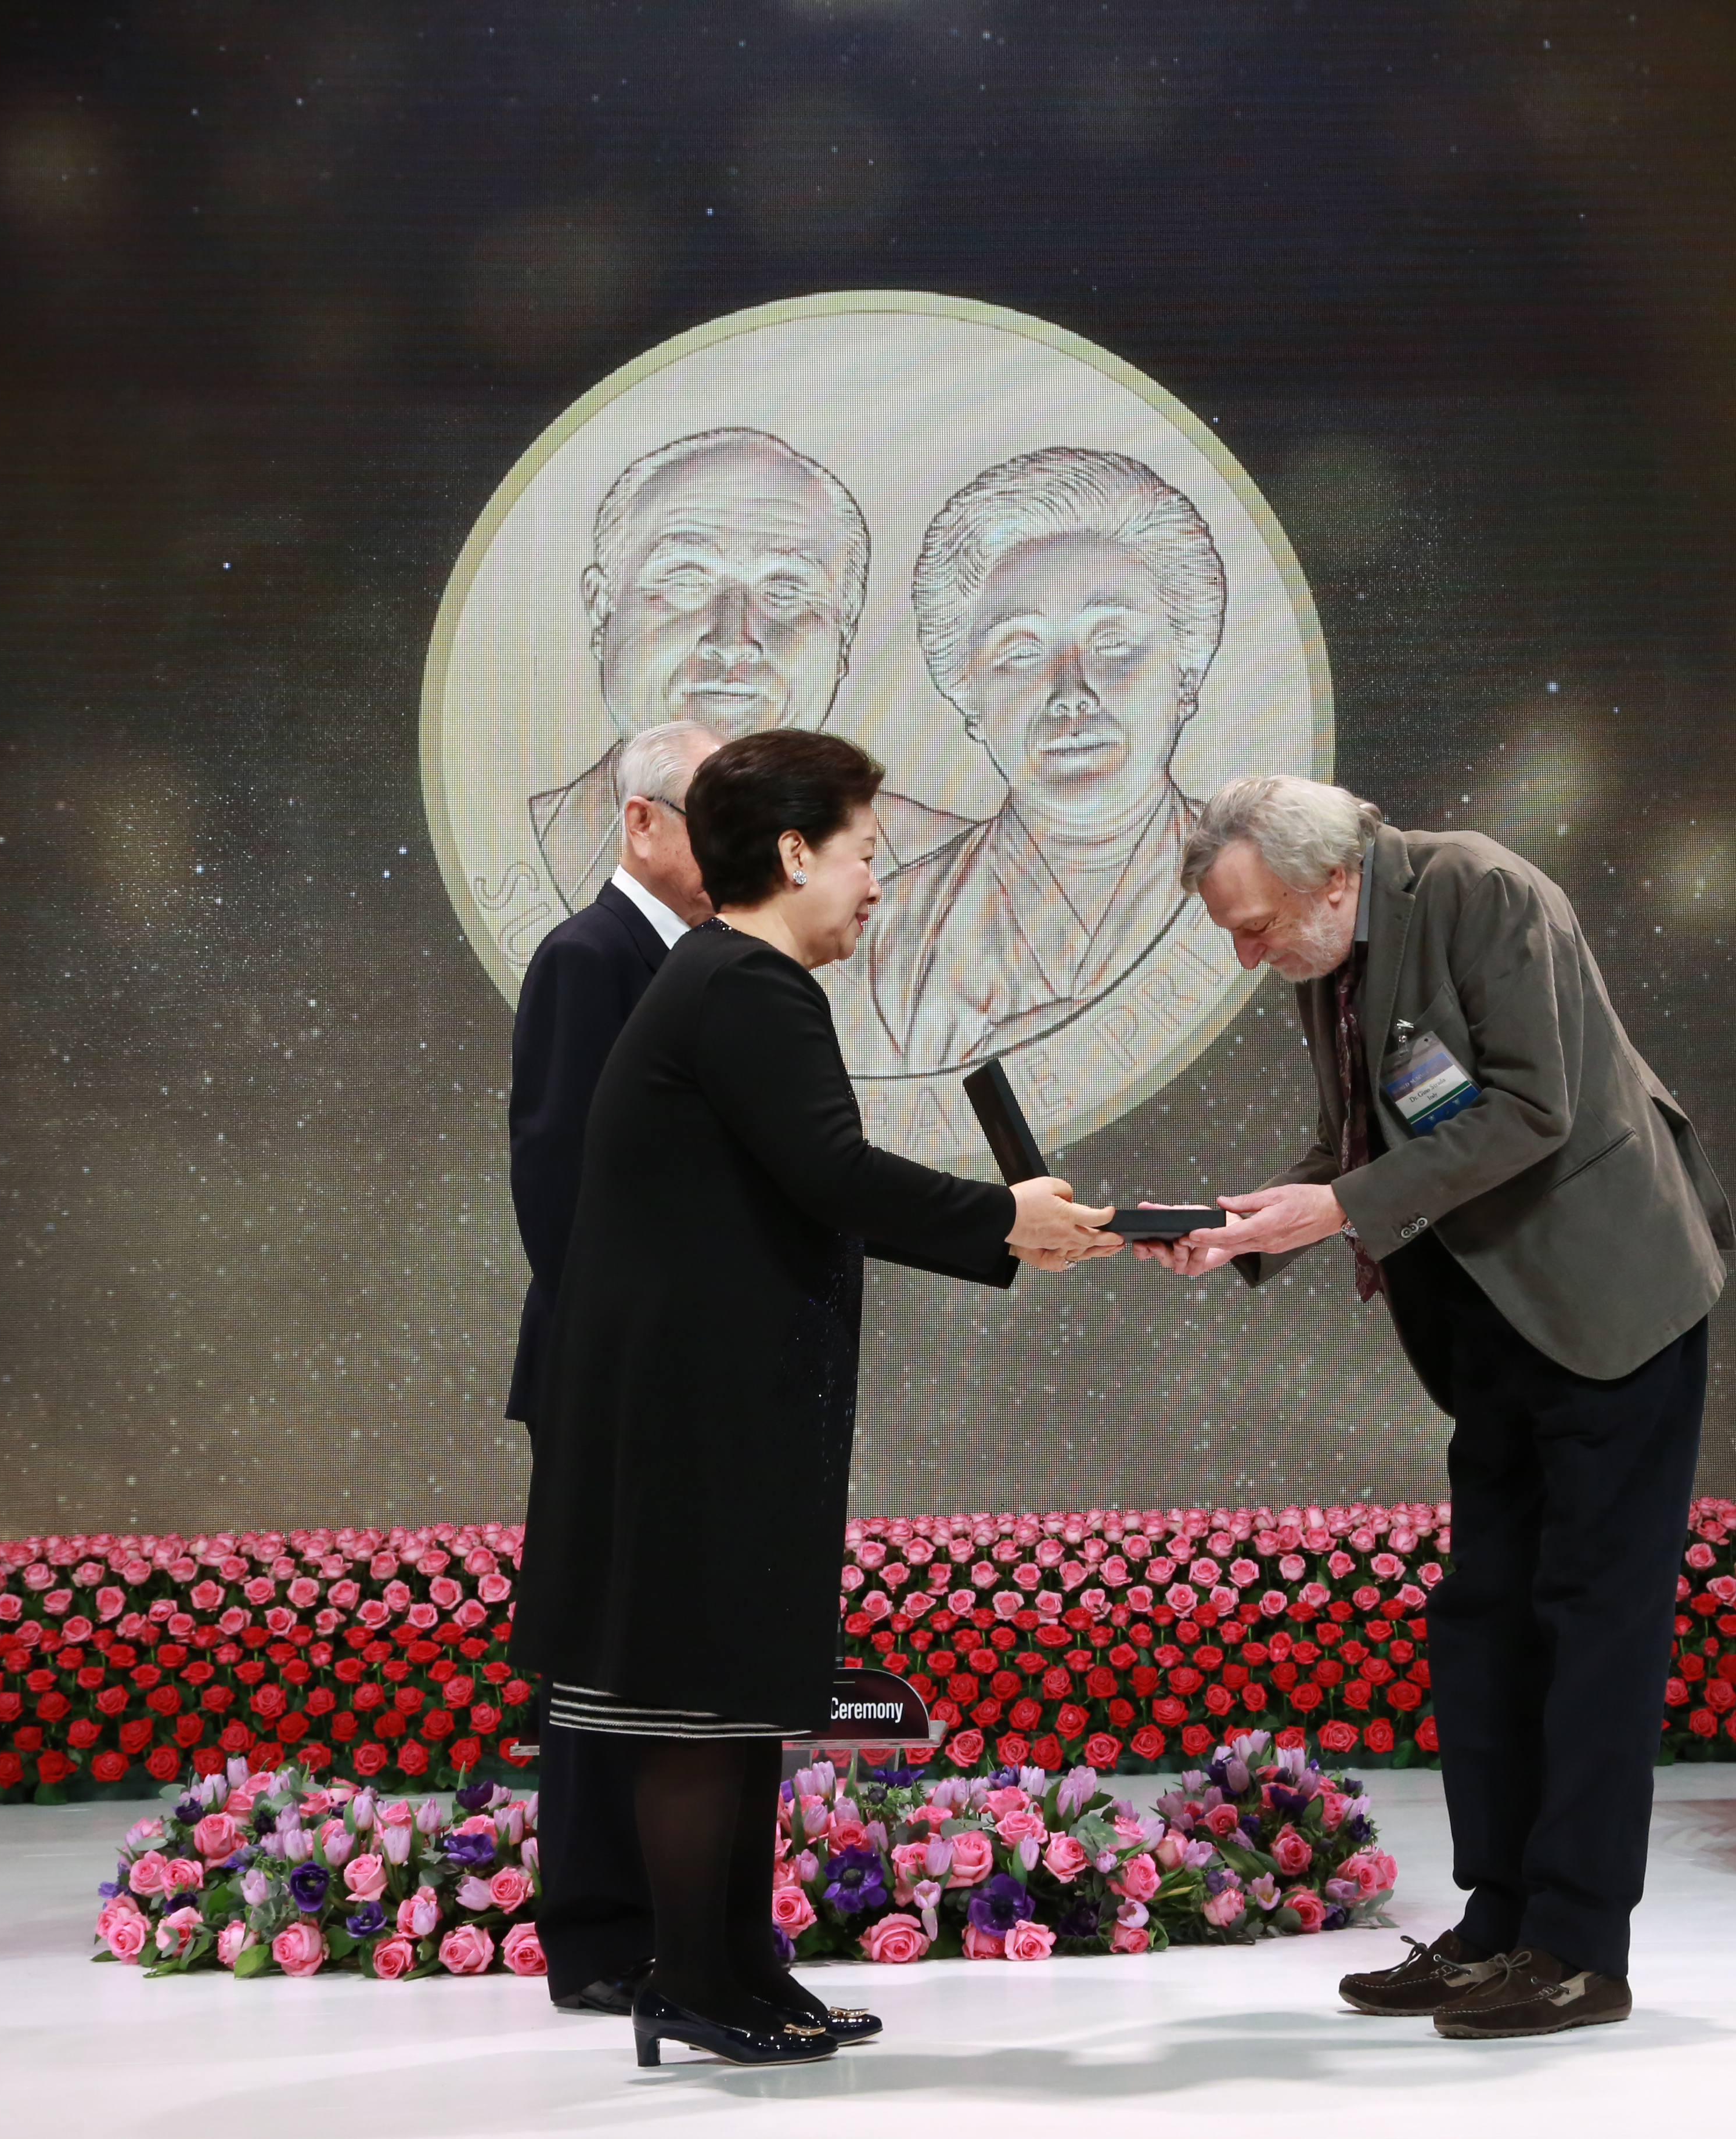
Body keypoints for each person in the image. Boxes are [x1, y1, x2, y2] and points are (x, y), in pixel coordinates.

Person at [512, 729, 1118, 2068]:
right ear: (793, 852)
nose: (874, 885)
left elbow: (802, 1182)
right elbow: (833, 1173)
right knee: (695, 1708)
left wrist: (1002, 1225)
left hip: (720, 1415)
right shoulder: (745, 984)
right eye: (864, 855)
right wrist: (1003, 1219)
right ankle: (693, 1980)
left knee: (735, 1707)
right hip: (693, 1423)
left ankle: (737, 1972)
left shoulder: (731, 978)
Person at [1137, 775, 1736, 2040]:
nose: (1250, 959)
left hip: (1608, 1309)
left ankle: (1577, 1947)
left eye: (1255, 929)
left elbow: (1532, 1107)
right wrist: (1245, 1227)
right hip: (1490, 1328)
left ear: (1336, 878)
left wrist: (1341, 1207)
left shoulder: (1482, 892)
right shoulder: (1335, 954)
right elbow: (1358, 1139)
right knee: (1487, 1623)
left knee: (1591, 1630)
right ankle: (1498, 1926)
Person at [503, 718, 716, 2014]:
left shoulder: (702, 960)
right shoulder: (591, 956)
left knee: (674, 1663)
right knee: (600, 1656)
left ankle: (673, 1925)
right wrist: (633, 1358)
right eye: (712, 813)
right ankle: (596, 1933)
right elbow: (559, 1181)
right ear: (639, 821)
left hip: (682, 1378)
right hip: (613, 1376)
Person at [835, 446, 1221, 1073]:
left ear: (1186, 674)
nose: (1072, 695)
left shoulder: (1266, 883)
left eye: (1113, 641)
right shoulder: (882, 937)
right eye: (1020, 652)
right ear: (967, 697)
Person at [528, 427, 970, 913]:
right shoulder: (529, 846)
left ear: (844, 633)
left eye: (784, 590)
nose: (732, 641)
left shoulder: (952, 874)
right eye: (685, 580)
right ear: (600, 609)